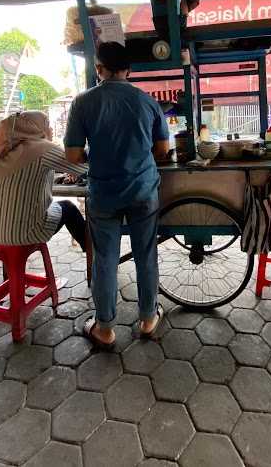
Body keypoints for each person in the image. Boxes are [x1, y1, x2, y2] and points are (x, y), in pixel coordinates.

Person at [64, 41, 170, 348]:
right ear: (129, 70)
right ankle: (148, 319)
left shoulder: (83, 102)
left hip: (103, 194)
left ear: (99, 69)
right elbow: (163, 149)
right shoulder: (147, 101)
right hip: (143, 191)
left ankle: (105, 329)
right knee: (145, 256)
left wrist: (94, 154)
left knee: (105, 260)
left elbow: (72, 155)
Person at [0, 111, 87, 248]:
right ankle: (93, 255)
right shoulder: (43, 148)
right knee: (68, 207)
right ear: (35, 128)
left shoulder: (2, 151)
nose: (52, 129)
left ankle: (9, 269)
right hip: (23, 234)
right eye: (47, 123)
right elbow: (84, 169)